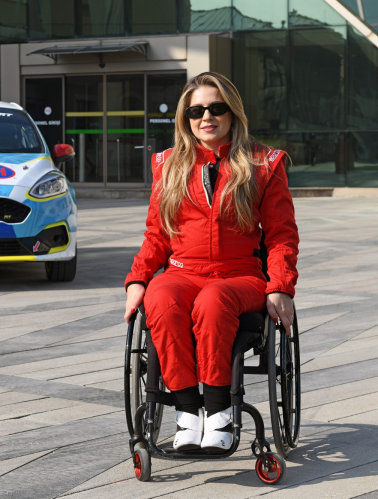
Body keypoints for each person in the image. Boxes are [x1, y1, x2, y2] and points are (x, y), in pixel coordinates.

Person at [123, 72, 298, 452]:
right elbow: (157, 235)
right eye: (196, 110)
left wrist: (281, 287)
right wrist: (138, 279)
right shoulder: (168, 165)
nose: (206, 117)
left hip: (240, 276)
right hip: (183, 272)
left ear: (233, 112)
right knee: (160, 298)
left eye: (216, 108)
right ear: (185, 118)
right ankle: (187, 413)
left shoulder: (264, 163)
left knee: (213, 301)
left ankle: (219, 412)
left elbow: (281, 236)